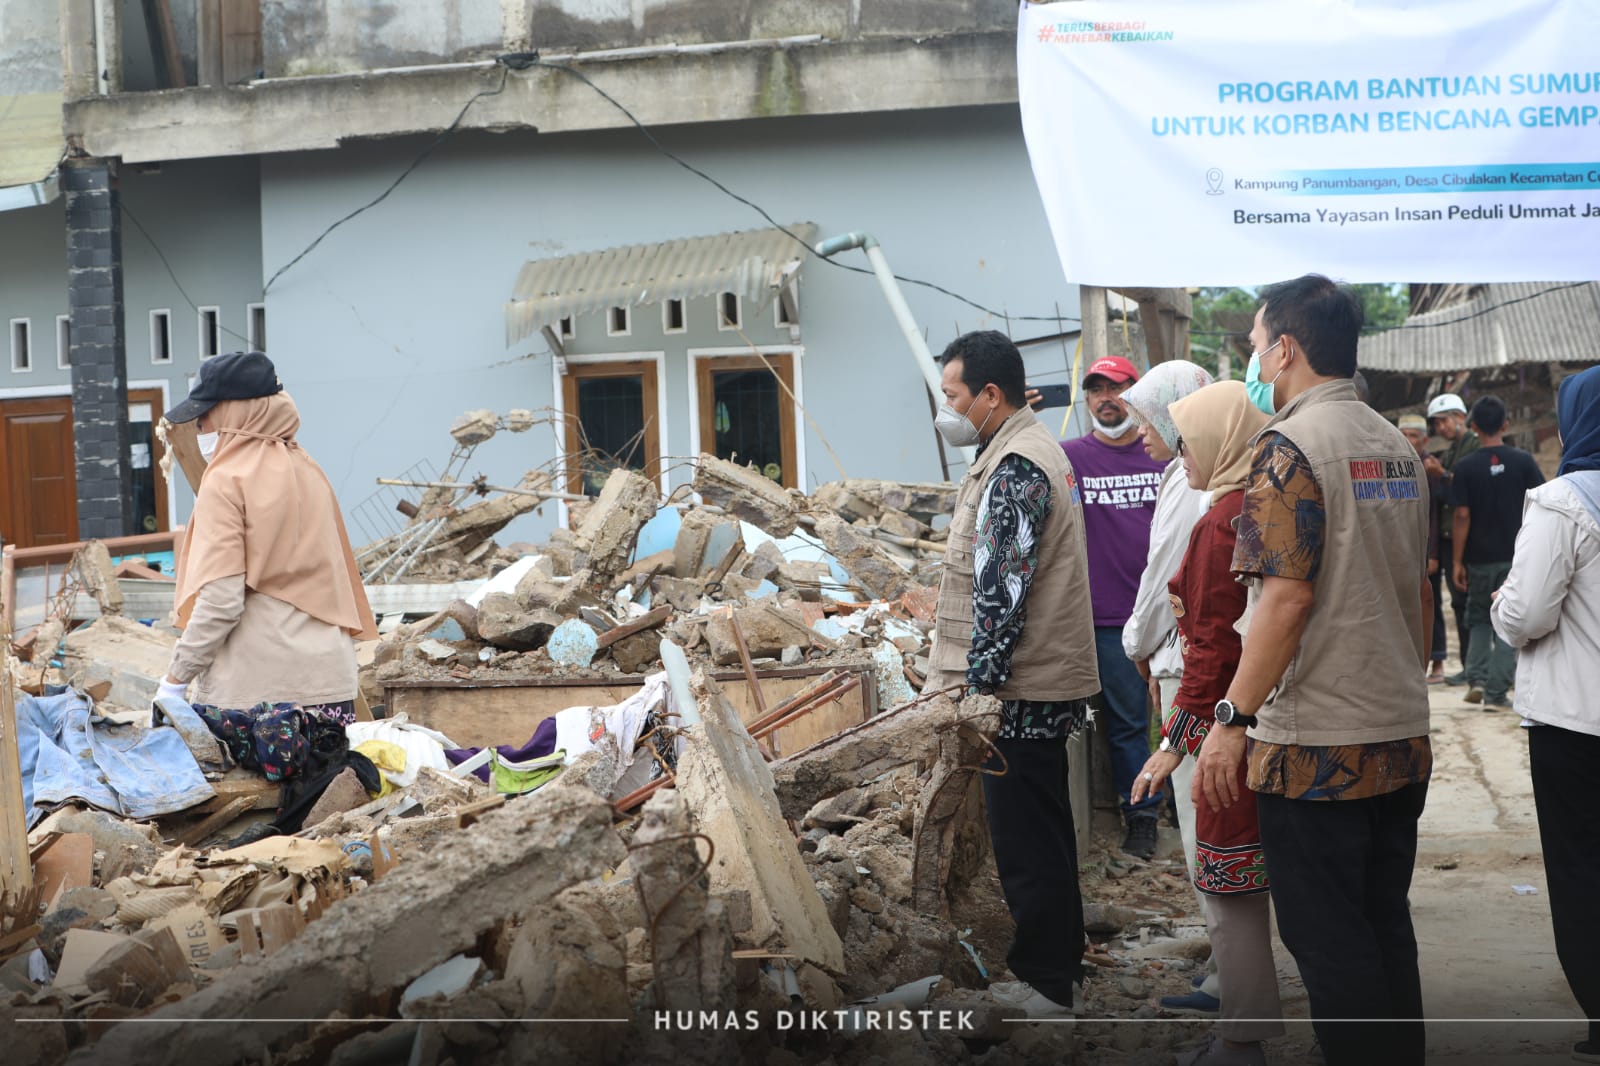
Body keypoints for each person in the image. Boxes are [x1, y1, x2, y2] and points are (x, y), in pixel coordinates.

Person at [1194, 275, 1433, 1065]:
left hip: (1316, 748)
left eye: (1256, 344)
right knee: (1382, 925)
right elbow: (1417, 587)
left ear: (1286, 349)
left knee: (1330, 941)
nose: (1255, 358)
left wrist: (1231, 719)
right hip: (1399, 731)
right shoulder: (1395, 444)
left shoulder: (1290, 447)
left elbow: (1285, 600)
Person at [922, 331, 1100, 1018]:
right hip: (1037, 679)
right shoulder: (1022, 449)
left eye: (953, 396)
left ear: (990, 395)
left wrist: (979, 690)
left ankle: (1046, 983)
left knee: (1027, 841)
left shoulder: (1017, 465)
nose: (946, 408)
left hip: (1020, 689)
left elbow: (1001, 593)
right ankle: (1061, 968)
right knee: (1044, 831)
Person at [1133, 381, 1279, 1066]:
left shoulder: (1223, 520)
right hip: (1268, 715)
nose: (1180, 454)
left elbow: (1212, 648)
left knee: (1227, 878)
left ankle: (1242, 1037)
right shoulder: (1265, 504)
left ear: (1220, 442)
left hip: (1230, 724)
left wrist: (1175, 743)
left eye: (1187, 441)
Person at [158, 350, 378, 733]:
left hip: (257, 701)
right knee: (327, 774)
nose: (199, 425)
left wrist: (174, 681)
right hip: (332, 690)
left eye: (206, 413)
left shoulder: (225, 480)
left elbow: (221, 602)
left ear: (234, 412)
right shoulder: (309, 469)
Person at [1491, 365, 1600, 1065]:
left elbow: (1526, 614)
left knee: (1583, 867)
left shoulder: (1564, 501)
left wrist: (1500, 608)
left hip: (1577, 723)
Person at [1119, 360, 1223, 1015]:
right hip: (1194, 663)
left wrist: (1135, 643)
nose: (1141, 433)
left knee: (1202, 820)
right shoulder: (1197, 472)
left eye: (1147, 420)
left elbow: (1164, 581)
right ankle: (1229, 958)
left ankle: (1231, 974)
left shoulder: (1191, 480)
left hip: (1189, 668)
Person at [1061, 355, 1167, 859]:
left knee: (1189, 716)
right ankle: (1142, 818)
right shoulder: (1069, 459)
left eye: (1117, 388)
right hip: (1108, 619)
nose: (1106, 399)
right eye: (1096, 389)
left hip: (1172, 614)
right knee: (1127, 726)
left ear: (1136, 395)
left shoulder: (1162, 453)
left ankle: (1192, 811)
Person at [1448, 395, 1544, 712]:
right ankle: (1496, 693)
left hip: (1478, 559)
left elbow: (1462, 515)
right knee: (1507, 620)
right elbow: (1540, 505)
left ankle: (1476, 679)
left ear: (1473, 426)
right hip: (1517, 558)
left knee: (1478, 619)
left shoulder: (1465, 467)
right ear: (1505, 424)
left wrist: (1457, 561)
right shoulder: (1524, 461)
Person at [1426, 393, 1478, 678]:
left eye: (1444, 421)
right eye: (1437, 424)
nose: (1441, 428)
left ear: (1460, 417)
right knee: (1458, 603)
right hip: (1449, 535)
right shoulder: (1454, 449)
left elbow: (1470, 488)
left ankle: (1477, 666)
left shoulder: (1473, 446)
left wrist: (1442, 473)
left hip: (1467, 536)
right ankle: (1469, 665)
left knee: (1469, 601)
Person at [1399, 414, 1448, 684]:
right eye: (1403, 435)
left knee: (1431, 603)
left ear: (1425, 440)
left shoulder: (1429, 467)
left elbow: (1434, 515)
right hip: (1402, 547)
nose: (1408, 440)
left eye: (1413, 436)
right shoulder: (1395, 463)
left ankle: (1437, 661)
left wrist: (1432, 554)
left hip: (1427, 548)